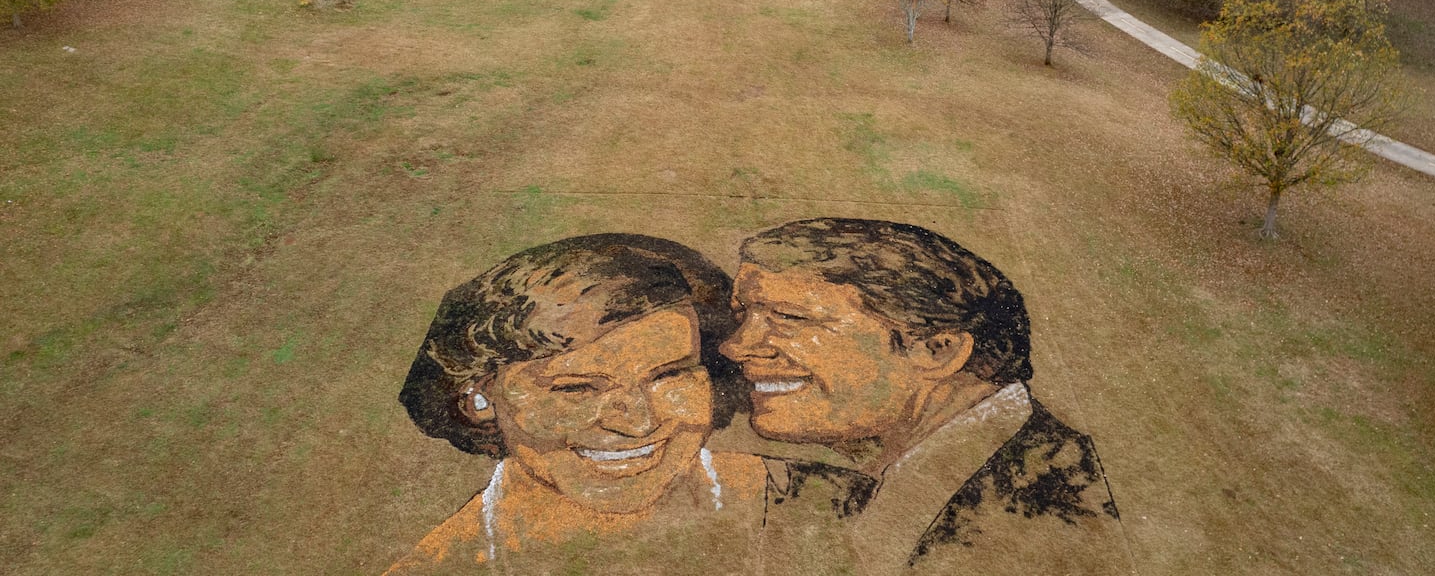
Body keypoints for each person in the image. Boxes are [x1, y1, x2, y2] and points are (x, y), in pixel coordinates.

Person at [721, 218, 1129, 575]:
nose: (737, 346)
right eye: (744, 316)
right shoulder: (883, 479)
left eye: (790, 318)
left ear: (939, 350)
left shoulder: (1059, 513)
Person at [387, 234, 765, 574]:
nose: (639, 422)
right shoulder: (441, 565)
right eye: (576, 389)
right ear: (480, 399)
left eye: (669, 376)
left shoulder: (803, 498)